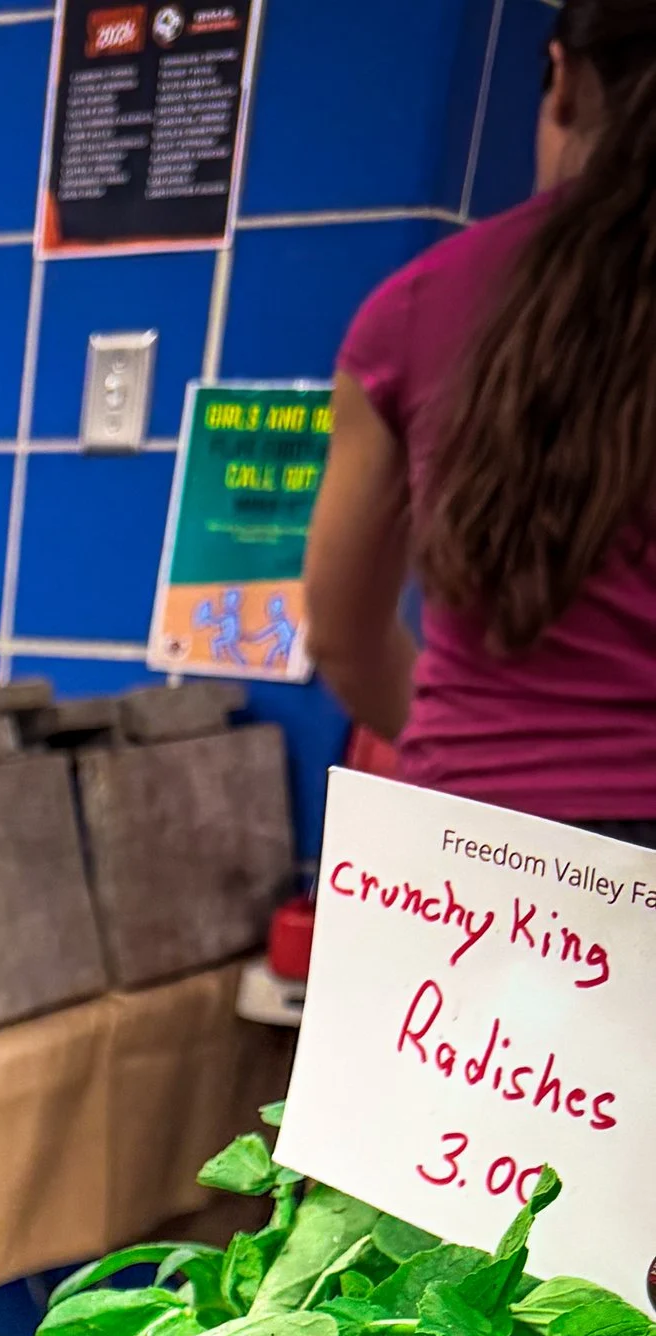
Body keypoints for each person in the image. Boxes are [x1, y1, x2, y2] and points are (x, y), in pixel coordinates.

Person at [303, 0, 656, 844]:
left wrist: (464, 762)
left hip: (470, 869)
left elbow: (341, 634)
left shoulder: (412, 311)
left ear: (563, 80)